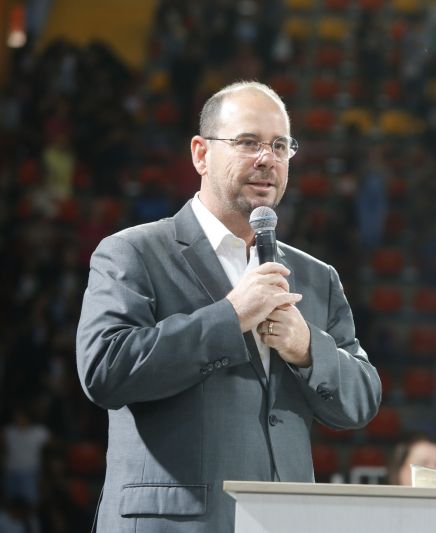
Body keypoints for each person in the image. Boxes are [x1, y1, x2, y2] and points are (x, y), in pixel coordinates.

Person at [76, 81, 382, 533]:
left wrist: (306, 348)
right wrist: (231, 315)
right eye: (248, 143)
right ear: (201, 154)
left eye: (280, 146)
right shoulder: (133, 252)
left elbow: (362, 399)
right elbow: (105, 370)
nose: (267, 159)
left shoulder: (316, 276)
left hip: (283, 521)